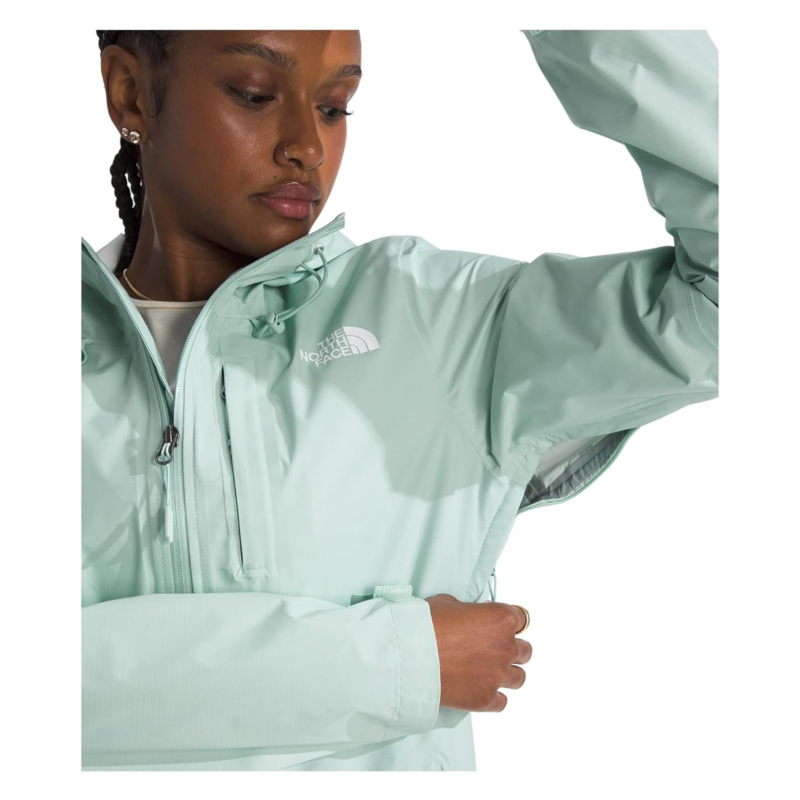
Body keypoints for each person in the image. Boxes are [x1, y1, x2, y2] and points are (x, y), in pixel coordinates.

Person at [81, 29, 719, 771]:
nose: (306, 147)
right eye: (254, 94)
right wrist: (399, 663)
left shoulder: (441, 320)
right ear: (131, 92)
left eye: (334, 106)